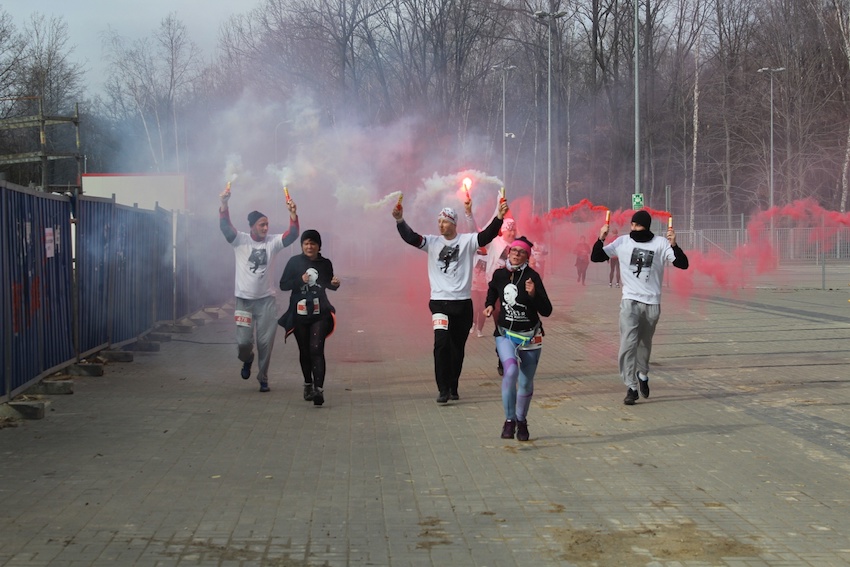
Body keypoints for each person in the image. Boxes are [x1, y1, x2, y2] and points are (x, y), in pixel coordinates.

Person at [393, 198, 509, 403]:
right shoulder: (432, 242)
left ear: (454, 223)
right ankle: (443, 389)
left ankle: (453, 385)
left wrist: (499, 217)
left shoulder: (467, 241)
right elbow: (411, 237)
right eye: (439, 221)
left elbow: (486, 235)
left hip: (462, 304)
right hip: (439, 304)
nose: (441, 225)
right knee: (441, 345)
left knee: (457, 348)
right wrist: (400, 220)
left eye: (445, 221)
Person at [590, 209, 689, 405]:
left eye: (638, 225)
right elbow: (596, 257)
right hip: (630, 302)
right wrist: (601, 238)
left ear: (646, 226)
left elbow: (683, 264)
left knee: (644, 344)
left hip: (652, 303)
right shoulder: (622, 242)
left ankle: (642, 374)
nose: (634, 228)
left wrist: (674, 244)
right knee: (628, 344)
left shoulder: (660, 243)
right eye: (633, 224)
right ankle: (631, 387)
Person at [219, 186, 299, 392]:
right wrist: (224, 204)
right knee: (243, 343)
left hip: (267, 302)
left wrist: (292, 214)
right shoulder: (240, 240)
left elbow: (292, 235)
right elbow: (226, 228)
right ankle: (247, 359)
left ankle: (263, 377)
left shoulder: (273, 242)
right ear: (252, 227)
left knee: (265, 343)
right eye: (262, 225)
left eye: (267, 224)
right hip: (244, 302)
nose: (266, 228)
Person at [484, 236, 552, 442]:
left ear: (527, 256)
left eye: (521, 252)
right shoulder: (499, 274)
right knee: (511, 371)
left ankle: (521, 421)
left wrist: (533, 295)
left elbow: (547, 310)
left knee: (525, 382)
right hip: (505, 334)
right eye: (513, 250)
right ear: (509, 252)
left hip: (530, 337)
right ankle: (509, 420)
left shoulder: (532, 277)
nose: (516, 254)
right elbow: (492, 289)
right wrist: (489, 305)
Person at [278, 230, 340, 406]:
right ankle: (308, 384)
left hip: (320, 313)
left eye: (313, 243)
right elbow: (283, 285)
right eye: (306, 243)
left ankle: (319, 390)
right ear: (302, 246)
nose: (309, 247)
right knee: (305, 351)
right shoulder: (294, 262)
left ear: (319, 246)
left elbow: (327, 283)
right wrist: (300, 280)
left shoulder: (325, 263)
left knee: (316, 349)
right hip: (299, 314)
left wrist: (335, 284)